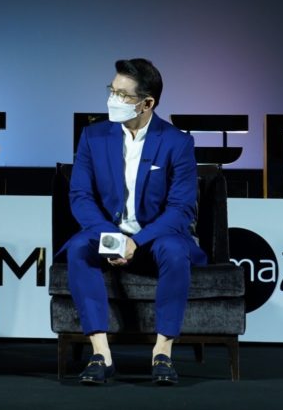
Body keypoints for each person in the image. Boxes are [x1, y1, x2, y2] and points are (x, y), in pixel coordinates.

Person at [63, 58, 207, 386]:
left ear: (147, 103)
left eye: (123, 95)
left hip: (156, 235)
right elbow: (80, 196)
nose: (112, 99)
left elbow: (181, 209)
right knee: (78, 248)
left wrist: (136, 242)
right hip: (108, 231)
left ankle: (162, 353)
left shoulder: (177, 142)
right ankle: (101, 354)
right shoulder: (93, 136)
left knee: (175, 251)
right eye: (111, 90)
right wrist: (113, 238)